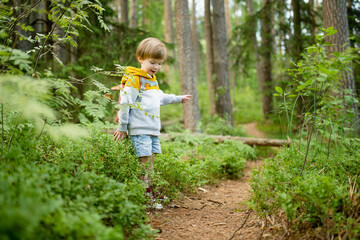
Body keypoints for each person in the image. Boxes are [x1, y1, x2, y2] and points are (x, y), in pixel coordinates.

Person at [113, 37, 192, 209]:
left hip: (152, 130)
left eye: (159, 63)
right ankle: (144, 196)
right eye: (152, 62)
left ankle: (149, 191)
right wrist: (122, 127)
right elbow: (125, 104)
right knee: (145, 162)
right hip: (139, 130)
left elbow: (160, 98)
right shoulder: (135, 79)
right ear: (140, 58)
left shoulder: (151, 80)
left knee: (151, 162)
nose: (156, 67)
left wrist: (178, 99)